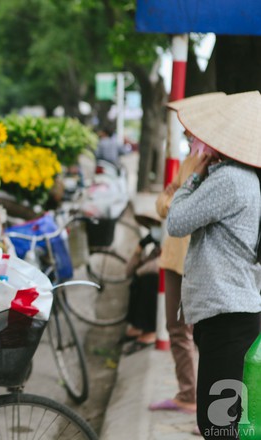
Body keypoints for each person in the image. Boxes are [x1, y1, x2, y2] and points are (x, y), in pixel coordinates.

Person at [165, 91, 261, 439]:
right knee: (223, 421)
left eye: (195, 139)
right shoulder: (236, 176)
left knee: (219, 425)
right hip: (225, 315)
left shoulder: (230, 179)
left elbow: (176, 221)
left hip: (229, 318)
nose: (192, 142)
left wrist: (190, 176)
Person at [148, 95, 225, 419]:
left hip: (195, 258)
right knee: (177, 329)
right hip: (174, 254)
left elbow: (177, 207)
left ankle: (212, 407)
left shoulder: (212, 162)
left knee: (200, 334)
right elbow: (165, 202)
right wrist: (173, 200)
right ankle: (187, 393)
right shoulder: (191, 157)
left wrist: (173, 200)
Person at [121, 231, 160, 355]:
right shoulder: (155, 250)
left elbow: (155, 267)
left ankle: (150, 331)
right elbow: (128, 271)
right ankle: (137, 326)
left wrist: (140, 272)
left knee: (149, 280)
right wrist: (139, 248)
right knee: (137, 281)